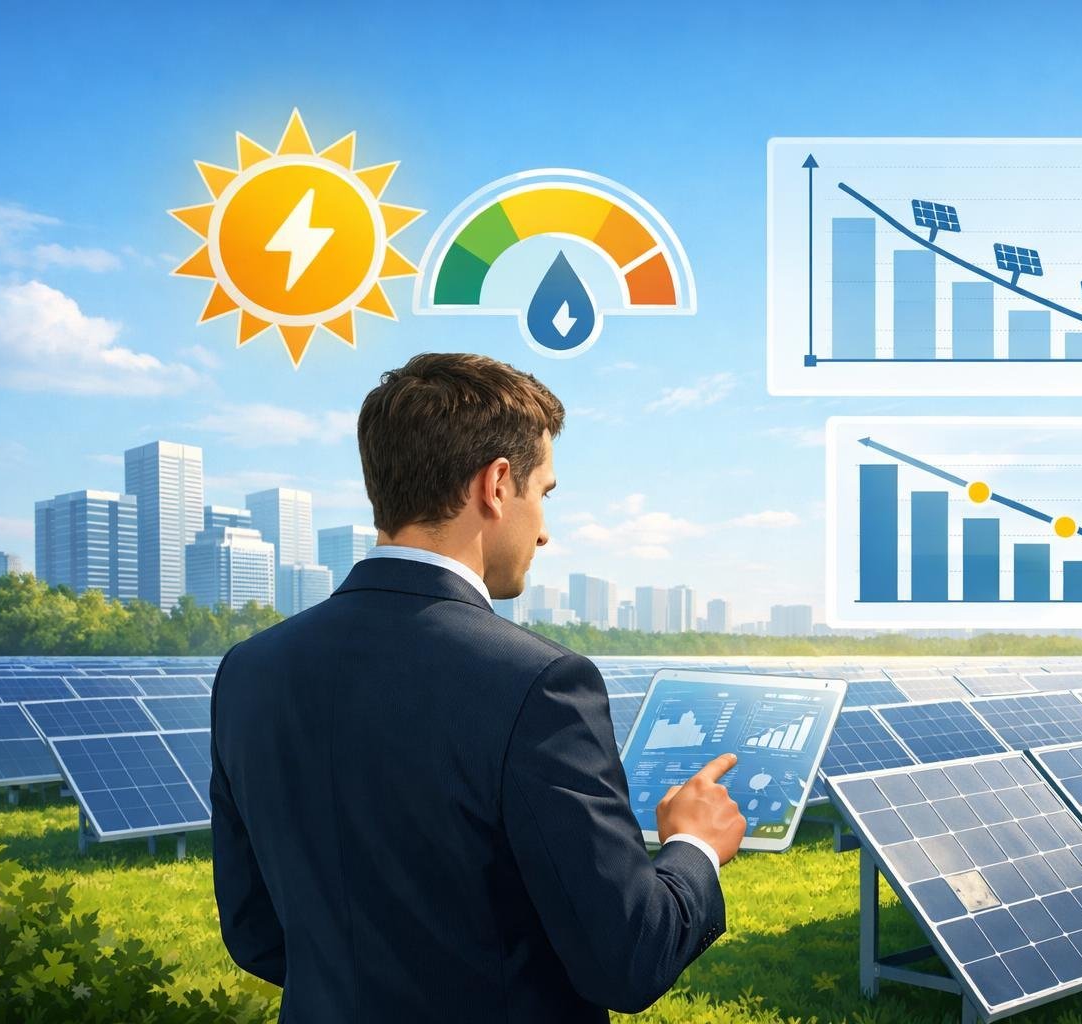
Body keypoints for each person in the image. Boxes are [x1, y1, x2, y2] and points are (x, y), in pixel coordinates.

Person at [210, 352, 746, 1022]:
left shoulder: (249, 671)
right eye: (543, 493)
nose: (544, 531)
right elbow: (628, 958)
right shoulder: (541, 686)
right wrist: (695, 847)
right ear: (496, 485)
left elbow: (256, 933)